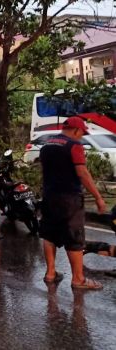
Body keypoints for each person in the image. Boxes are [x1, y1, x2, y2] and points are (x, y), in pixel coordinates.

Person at [39, 117, 105, 290]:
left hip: (49, 196)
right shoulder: (74, 146)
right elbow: (82, 172)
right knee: (74, 237)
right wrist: (98, 197)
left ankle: (50, 273)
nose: (82, 137)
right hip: (69, 199)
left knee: (49, 234)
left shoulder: (47, 145)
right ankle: (78, 279)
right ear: (76, 130)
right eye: (82, 133)